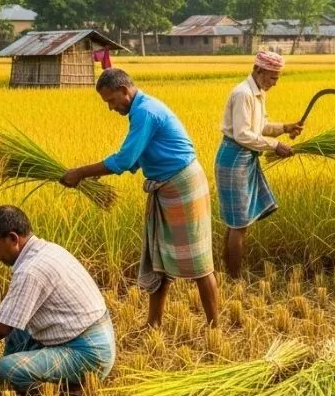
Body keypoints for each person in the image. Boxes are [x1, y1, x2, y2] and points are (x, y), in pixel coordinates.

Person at [60, 68, 218, 329]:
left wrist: (81, 172)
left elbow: (125, 159)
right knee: (159, 258)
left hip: (182, 186)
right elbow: (138, 156)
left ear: (124, 90)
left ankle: (214, 326)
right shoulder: (140, 110)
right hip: (164, 187)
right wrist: (98, 172)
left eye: (111, 100)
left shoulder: (145, 112)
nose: (111, 107)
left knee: (199, 260)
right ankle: (153, 322)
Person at [0, 206, 115, 391]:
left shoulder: (31, 271)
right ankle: (11, 384)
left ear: (13, 238)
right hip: (88, 338)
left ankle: (68, 390)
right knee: (16, 329)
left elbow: (0, 328)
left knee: (7, 370)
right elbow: (7, 317)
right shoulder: (46, 250)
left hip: (88, 354)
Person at [216, 51, 304, 279]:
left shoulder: (257, 94)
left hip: (244, 159)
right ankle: (235, 278)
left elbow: (259, 127)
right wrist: (275, 145)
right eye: (272, 77)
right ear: (258, 70)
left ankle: (228, 274)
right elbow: (243, 134)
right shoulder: (243, 94)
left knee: (236, 223)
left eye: (277, 78)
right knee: (239, 224)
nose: (274, 83)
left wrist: (285, 127)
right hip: (234, 160)